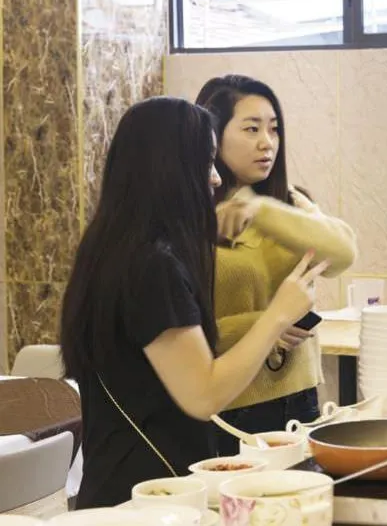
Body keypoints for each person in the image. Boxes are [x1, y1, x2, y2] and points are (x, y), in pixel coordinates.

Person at [60, 97, 327, 508]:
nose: (217, 178)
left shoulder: (110, 249)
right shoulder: (152, 267)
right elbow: (203, 394)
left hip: (128, 487)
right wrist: (277, 315)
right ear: (169, 168)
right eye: (206, 162)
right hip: (146, 498)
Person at [196, 75, 358, 454]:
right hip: (231, 405)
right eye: (251, 129)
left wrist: (261, 208)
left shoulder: (286, 203)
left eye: (274, 129)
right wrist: (265, 325)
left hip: (300, 396)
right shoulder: (192, 210)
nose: (266, 142)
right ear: (213, 134)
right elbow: (175, 332)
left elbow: (343, 254)